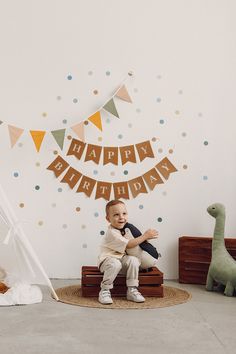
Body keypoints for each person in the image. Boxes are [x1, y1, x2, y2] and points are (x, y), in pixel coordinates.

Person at [98, 199, 159, 305]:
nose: (121, 217)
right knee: (114, 263)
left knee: (134, 260)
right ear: (108, 219)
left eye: (124, 213)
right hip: (107, 262)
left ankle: (132, 289)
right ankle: (105, 290)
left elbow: (135, 243)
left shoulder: (124, 230)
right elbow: (129, 244)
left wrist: (145, 241)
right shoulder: (112, 233)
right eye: (116, 214)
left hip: (121, 261)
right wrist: (145, 236)